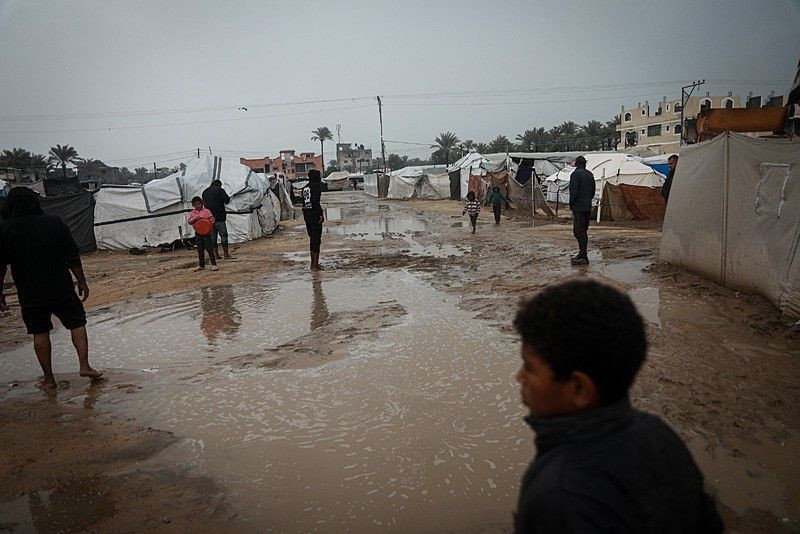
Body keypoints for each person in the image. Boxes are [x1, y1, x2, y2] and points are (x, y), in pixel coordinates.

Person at [513, 279, 723, 533]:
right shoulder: (658, 433)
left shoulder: (557, 493)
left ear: (579, 389)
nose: (519, 376)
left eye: (530, 368)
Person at [0, 187, 103, 389]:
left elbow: (0, 265)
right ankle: (85, 366)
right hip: (60, 287)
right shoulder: (54, 222)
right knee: (77, 323)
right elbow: (72, 254)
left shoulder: (6, 230)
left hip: (29, 292)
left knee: (39, 332)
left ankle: (49, 379)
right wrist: (81, 281)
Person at [569, 156, 595, 265]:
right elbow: (593, 191)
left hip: (578, 207)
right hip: (587, 206)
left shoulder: (575, 174)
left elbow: (574, 191)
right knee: (583, 230)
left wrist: (571, 204)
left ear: (576, 163)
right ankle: (582, 253)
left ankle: (583, 255)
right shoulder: (590, 174)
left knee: (578, 231)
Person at [202, 179, 233, 259]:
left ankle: (216, 255)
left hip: (209, 219)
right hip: (220, 217)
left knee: (213, 238)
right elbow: (227, 200)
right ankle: (226, 254)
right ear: (219, 184)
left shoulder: (205, 192)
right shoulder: (220, 190)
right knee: (223, 235)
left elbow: (204, 205)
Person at [187, 196, 218, 272]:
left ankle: (214, 264)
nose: (197, 206)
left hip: (206, 232)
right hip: (198, 232)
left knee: (209, 248)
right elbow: (189, 222)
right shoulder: (192, 213)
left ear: (202, 203)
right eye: (195, 204)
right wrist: (195, 218)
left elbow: (212, 219)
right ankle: (201, 265)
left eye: (199, 204)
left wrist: (211, 221)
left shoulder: (207, 211)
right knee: (200, 249)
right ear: (193, 205)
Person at [302, 169, 325, 271]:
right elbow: (316, 202)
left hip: (307, 214)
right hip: (314, 214)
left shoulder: (305, 187)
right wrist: (320, 214)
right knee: (316, 240)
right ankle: (315, 265)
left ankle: (313, 264)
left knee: (312, 239)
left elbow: (303, 203)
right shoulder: (316, 186)